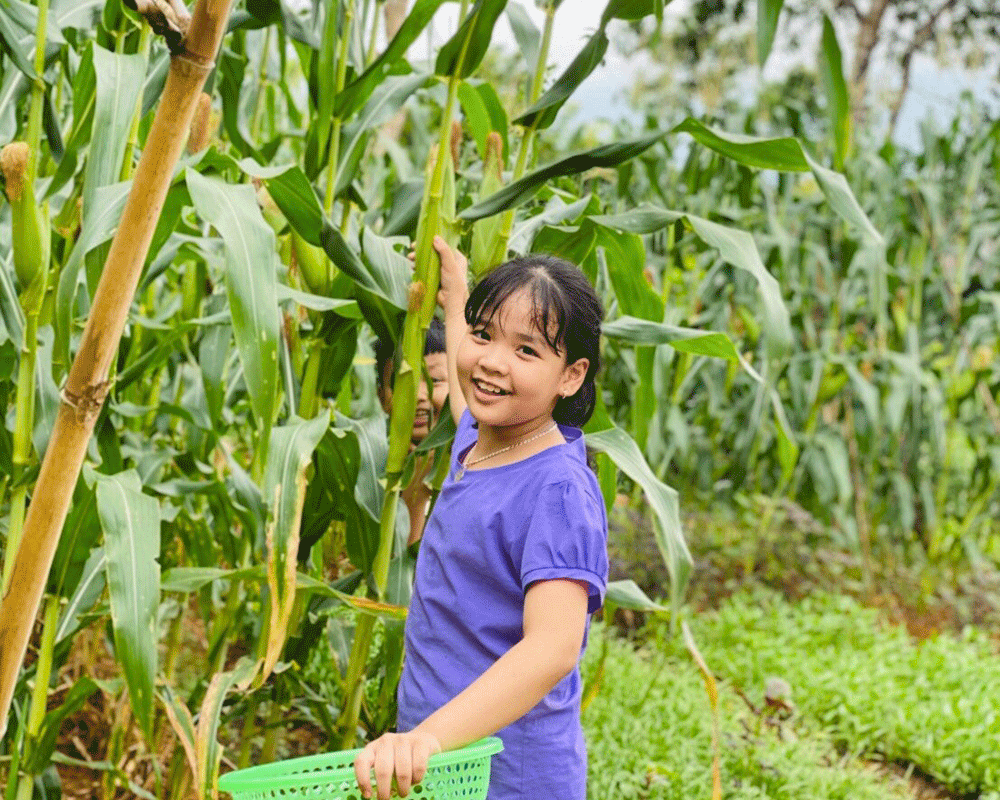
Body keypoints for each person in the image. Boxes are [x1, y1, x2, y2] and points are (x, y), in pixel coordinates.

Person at [355, 236, 608, 800]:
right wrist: (455, 291)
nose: (493, 361)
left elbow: (552, 649)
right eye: (483, 335)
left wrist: (424, 741)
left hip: (508, 774)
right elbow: (465, 400)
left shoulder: (558, 490)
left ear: (571, 375)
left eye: (527, 351)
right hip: (440, 764)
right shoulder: (479, 438)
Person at [375, 317, 449, 545]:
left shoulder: (474, 465)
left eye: (434, 380)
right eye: (401, 382)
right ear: (381, 397)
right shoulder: (369, 472)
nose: (418, 395)